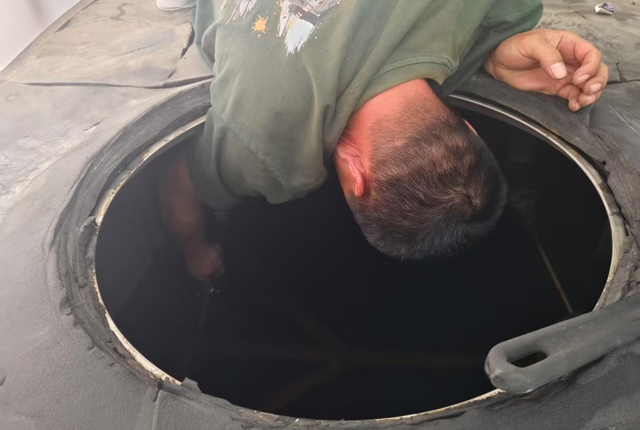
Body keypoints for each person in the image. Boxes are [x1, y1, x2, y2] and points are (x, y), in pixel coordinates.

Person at [160, 0, 608, 281]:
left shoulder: (498, 10)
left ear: (467, 128)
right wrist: (195, 251)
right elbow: (181, 182)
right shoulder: (266, 132)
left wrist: (496, 52)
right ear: (356, 176)